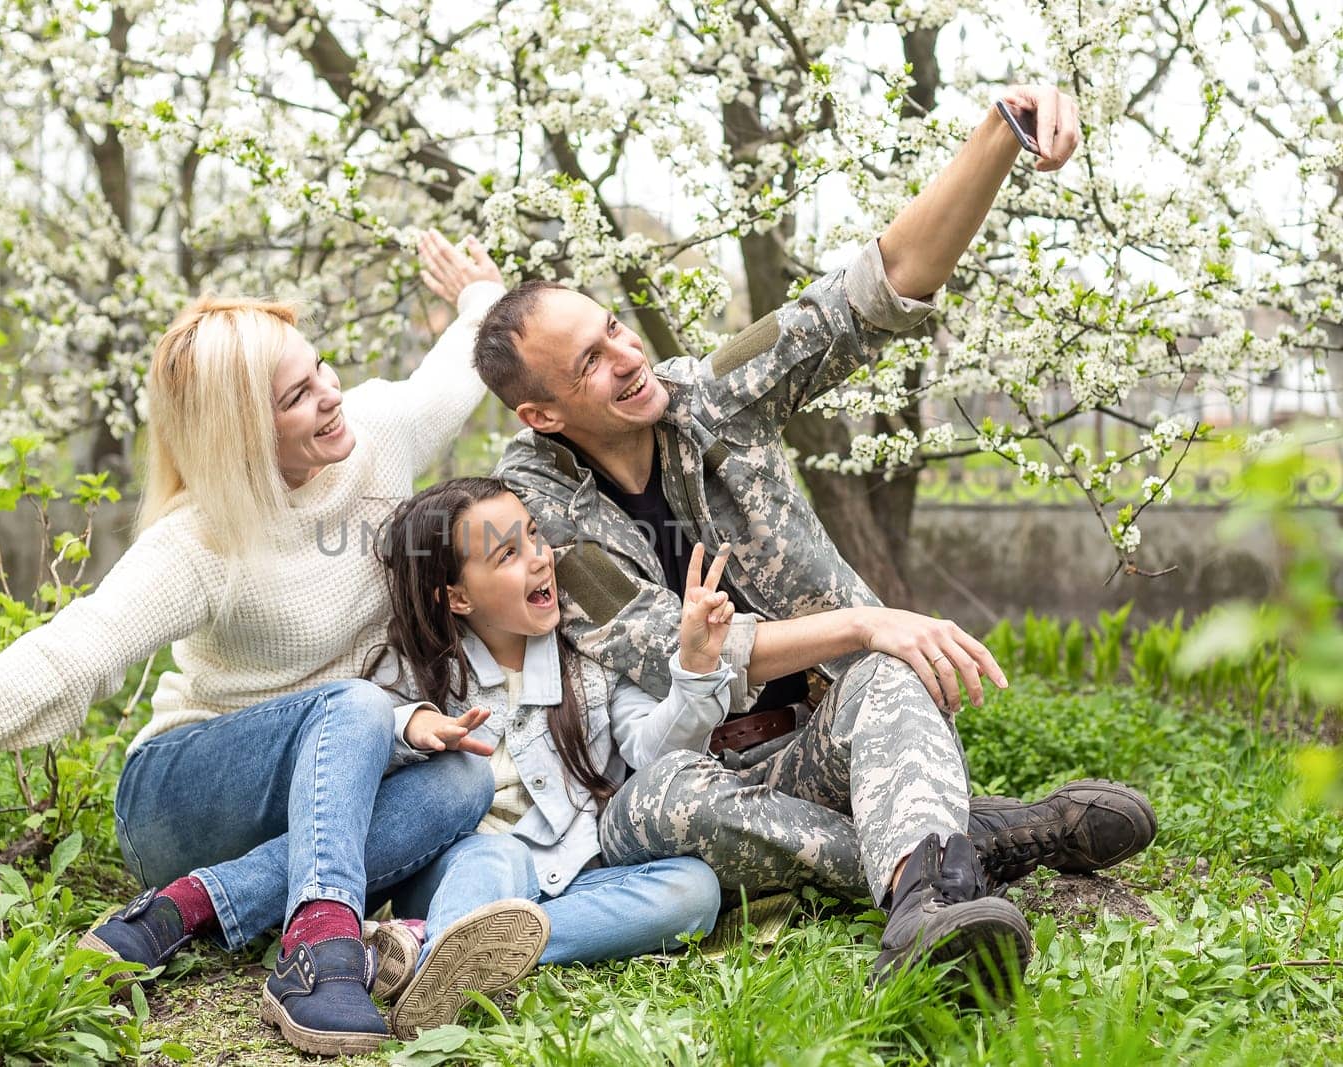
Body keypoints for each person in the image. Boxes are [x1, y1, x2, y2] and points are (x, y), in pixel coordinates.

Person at [0, 233, 511, 1056]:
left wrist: (480, 296)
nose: (330, 396)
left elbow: (453, 371)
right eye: (296, 395)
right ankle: (316, 950)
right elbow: (73, 647)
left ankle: (184, 909)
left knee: (463, 779)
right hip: (186, 792)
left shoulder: (377, 436)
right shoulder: (203, 541)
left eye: (321, 368)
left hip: (325, 789)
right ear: (240, 430)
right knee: (363, 704)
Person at [473, 86, 1158, 979]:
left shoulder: (708, 392)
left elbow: (871, 292)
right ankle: (970, 838)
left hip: (838, 733)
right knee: (667, 806)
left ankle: (929, 913)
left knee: (884, 672)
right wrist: (868, 620)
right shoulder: (539, 506)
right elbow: (673, 654)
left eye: (614, 330)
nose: (628, 358)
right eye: (591, 364)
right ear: (544, 413)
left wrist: (1002, 132)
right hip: (700, 774)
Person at [363, 478, 728, 1038]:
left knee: (695, 890)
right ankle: (451, 959)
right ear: (458, 597)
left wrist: (696, 670)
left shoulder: (589, 658)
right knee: (498, 857)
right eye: (508, 554)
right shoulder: (415, 672)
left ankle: (441, 951)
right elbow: (360, 758)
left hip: (575, 877)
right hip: (465, 873)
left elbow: (655, 751)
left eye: (534, 536)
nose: (539, 561)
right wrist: (412, 731)